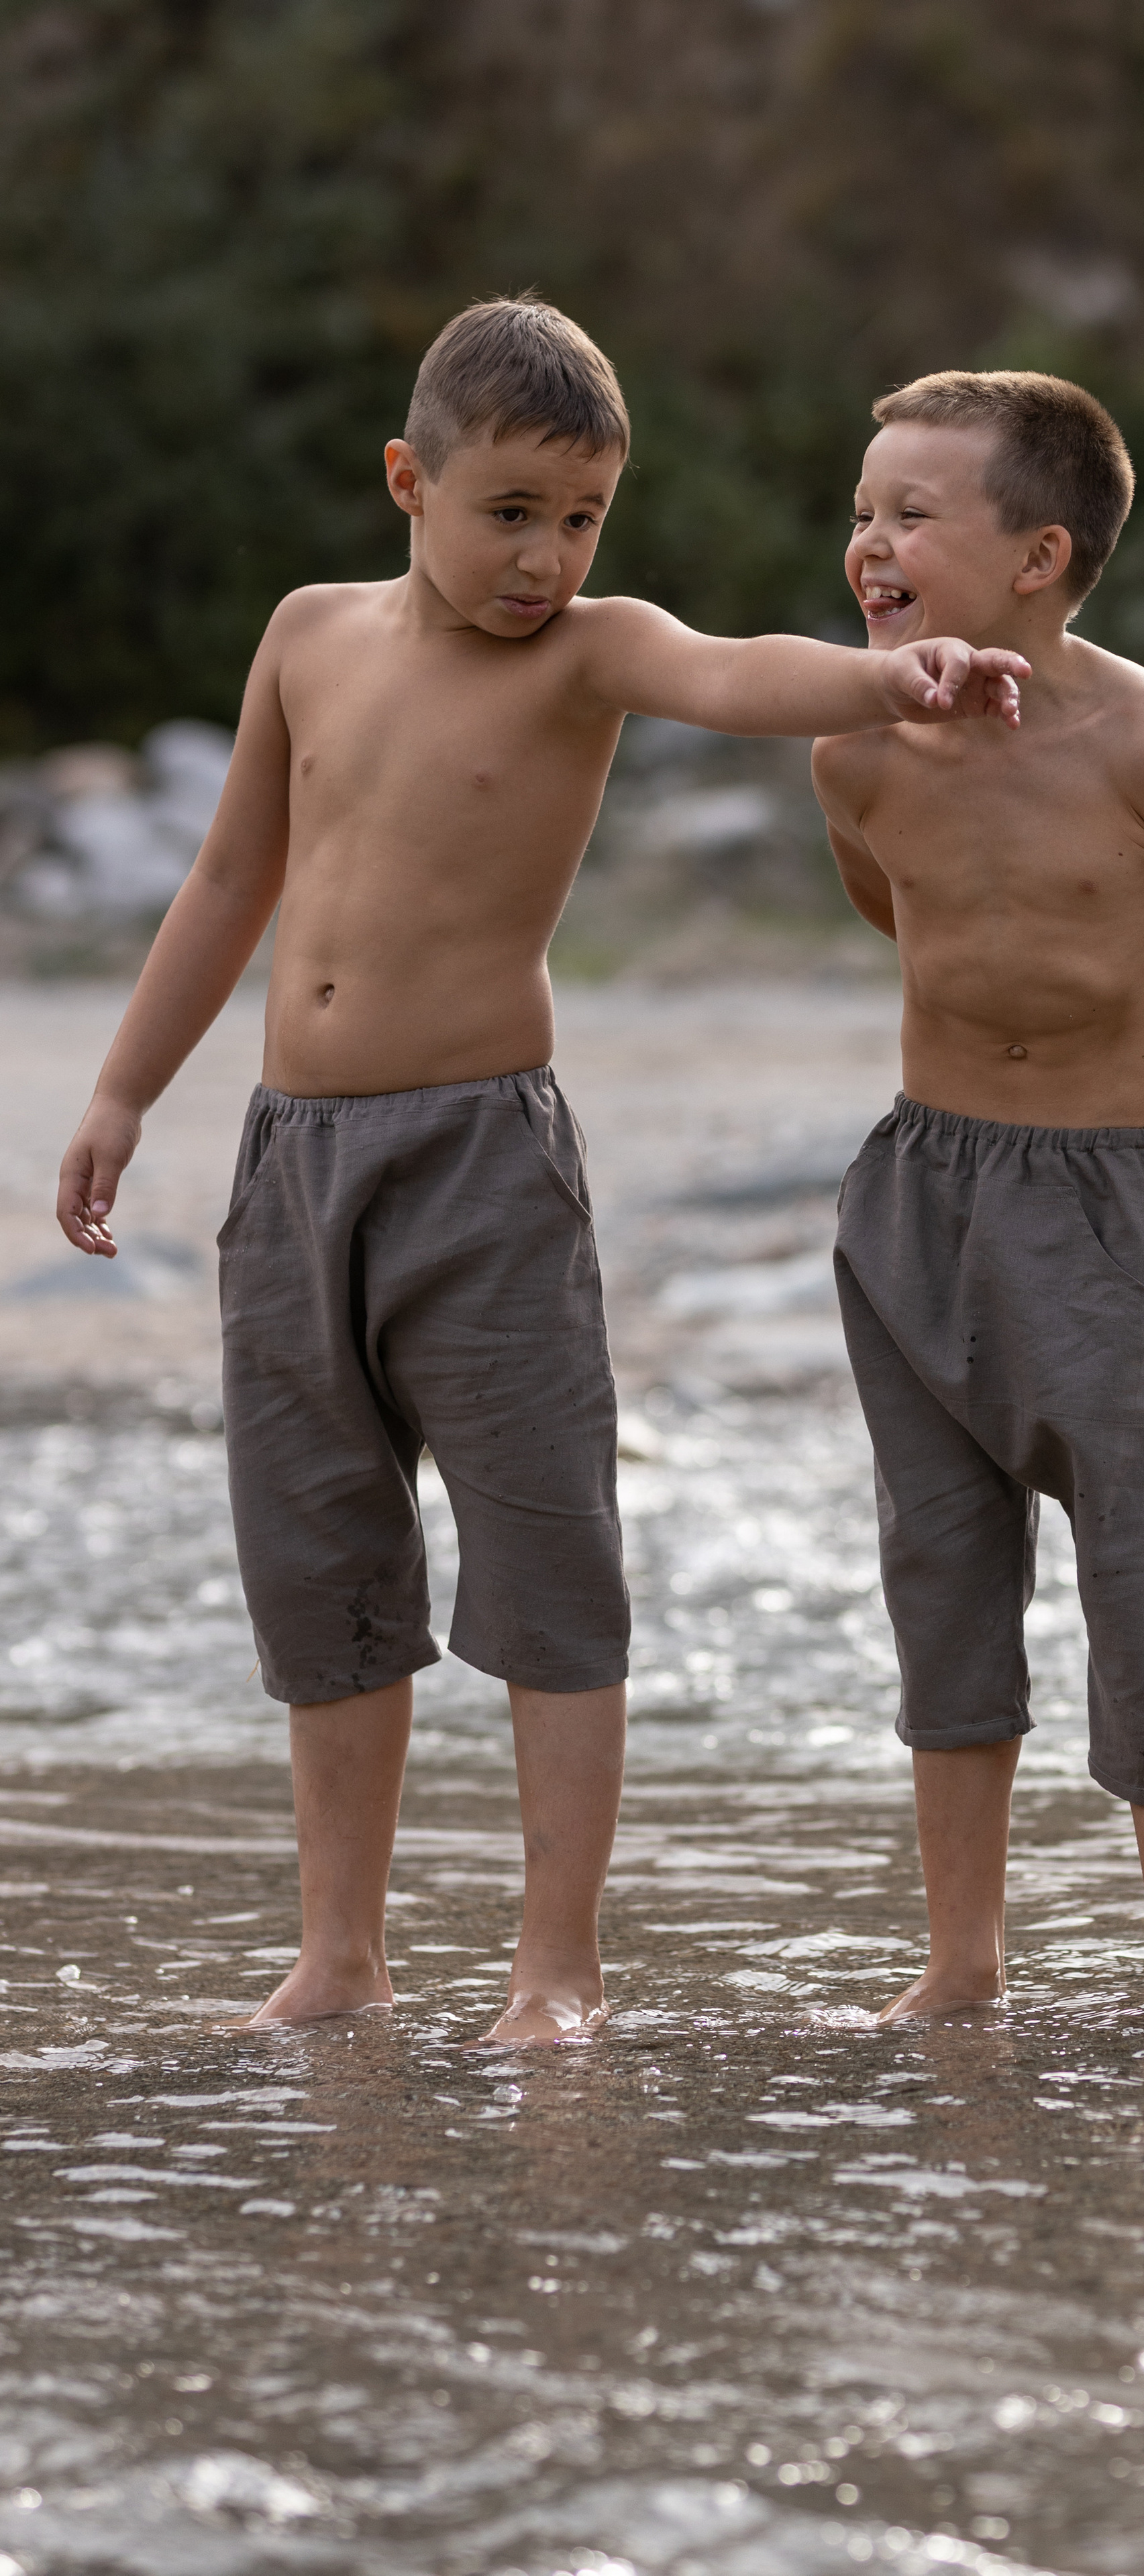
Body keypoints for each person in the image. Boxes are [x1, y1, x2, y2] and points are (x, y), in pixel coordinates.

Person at [54, 296, 1029, 2047]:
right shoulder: (306, 639)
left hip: (480, 1164)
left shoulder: (589, 652)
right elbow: (224, 883)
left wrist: (897, 673)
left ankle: (554, 1967)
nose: (548, 557)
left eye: (583, 518)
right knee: (320, 1558)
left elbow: (734, 671)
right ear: (406, 483)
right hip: (294, 1168)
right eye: (512, 512)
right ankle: (339, 1955)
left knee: (545, 1554)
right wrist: (127, 1092)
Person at [813, 369, 1144, 2027]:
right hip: (920, 1194)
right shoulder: (850, 736)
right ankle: (959, 1964)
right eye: (863, 509)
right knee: (939, 1579)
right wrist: (1053, 1011)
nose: (869, 542)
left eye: (912, 513)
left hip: (1109, 1214)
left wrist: (1131, 1018)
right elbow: (916, 920)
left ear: (1037, 556)